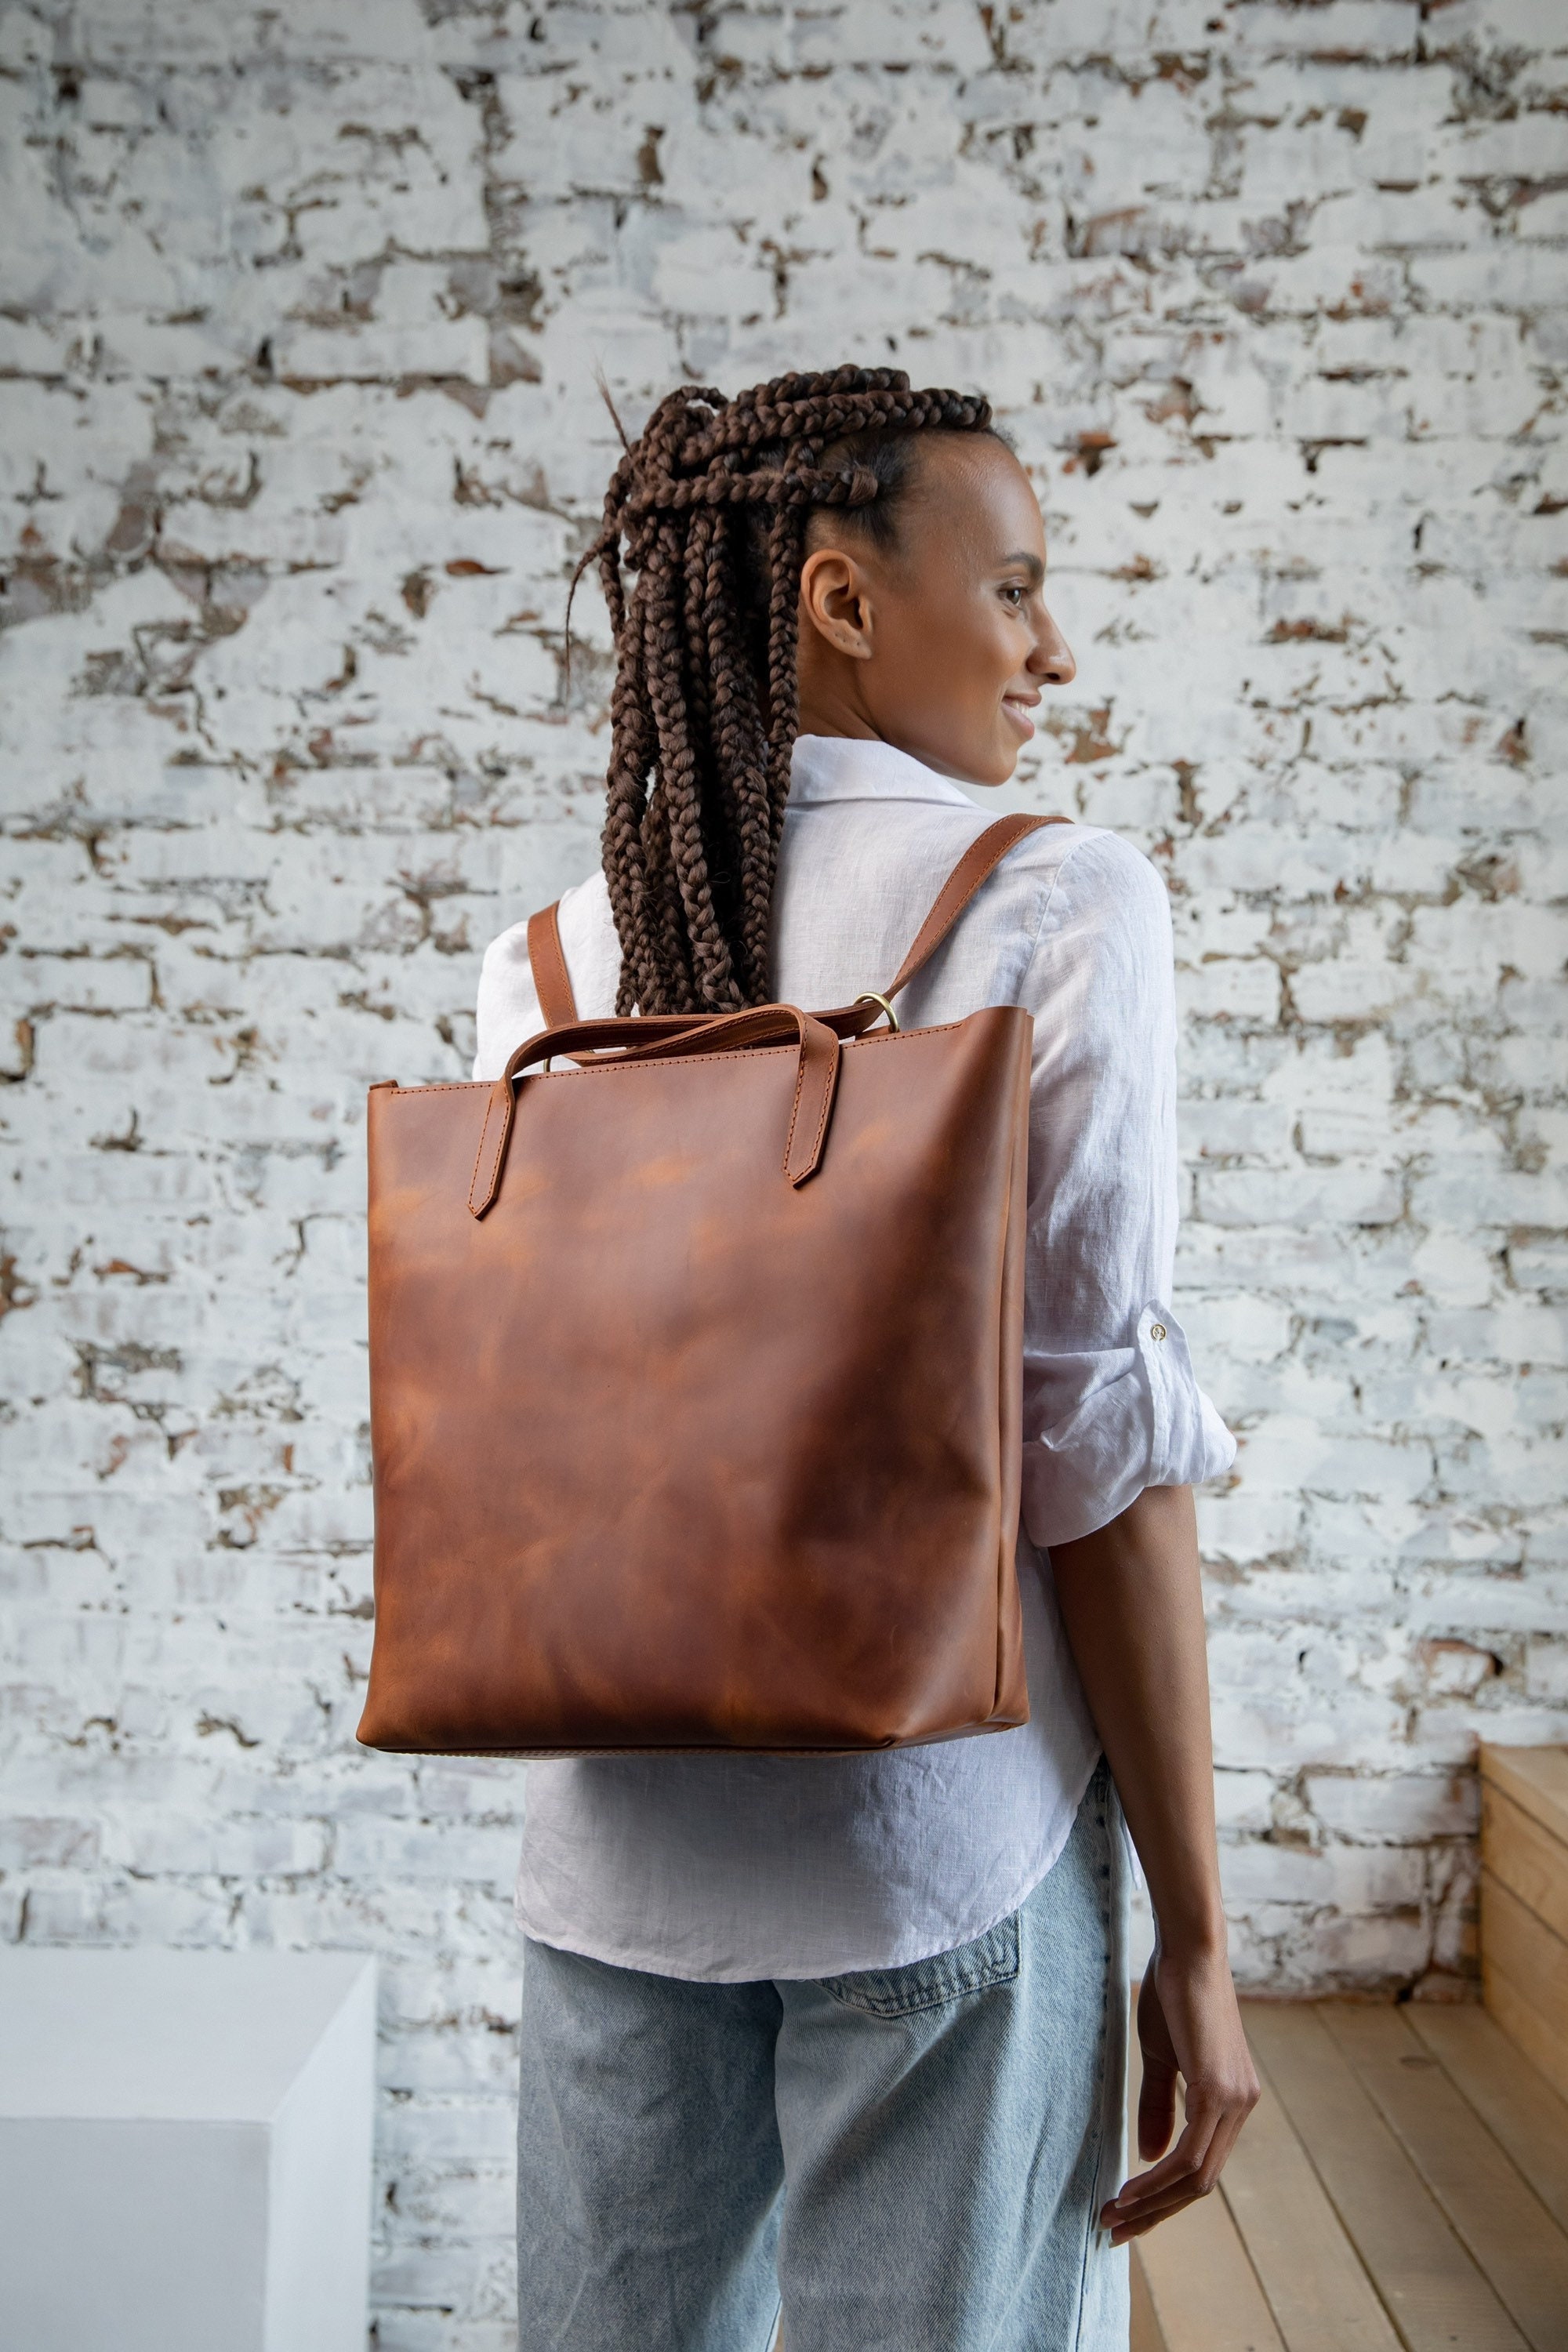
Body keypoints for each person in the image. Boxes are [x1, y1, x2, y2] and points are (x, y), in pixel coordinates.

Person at [473, 365, 1258, 2352]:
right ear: (840, 600)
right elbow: (1093, 1453)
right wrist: (1200, 1939)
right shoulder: (1054, 903)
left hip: (612, 1872)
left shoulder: (555, 969)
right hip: (940, 1859)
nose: (1049, 649)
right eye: (1013, 590)